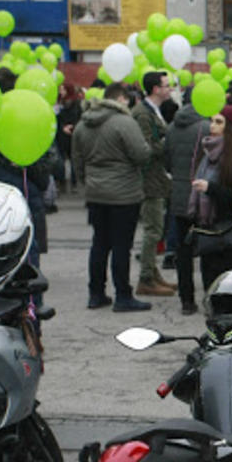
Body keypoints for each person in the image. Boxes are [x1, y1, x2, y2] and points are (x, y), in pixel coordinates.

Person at [71, 83, 152, 312]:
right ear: (122, 99)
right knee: (121, 246)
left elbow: (77, 160)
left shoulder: (82, 124)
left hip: (96, 193)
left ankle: (96, 294)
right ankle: (123, 296)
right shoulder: (124, 123)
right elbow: (142, 154)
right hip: (124, 194)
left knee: (99, 243)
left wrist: (87, 183)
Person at [188, 106, 232, 290]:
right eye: (212, 121)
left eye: (219, 122)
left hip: (231, 232)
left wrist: (210, 188)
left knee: (229, 286)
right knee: (210, 285)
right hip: (208, 230)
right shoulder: (206, 149)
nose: (212, 126)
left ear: (231, 127)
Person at [164, 97, 210, 315]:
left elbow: (167, 161)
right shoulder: (206, 127)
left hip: (180, 193)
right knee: (208, 248)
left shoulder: (172, 127)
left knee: (183, 251)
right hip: (202, 195)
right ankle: (210, 296)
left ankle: (186, 300)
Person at [132, 71, 176, 297]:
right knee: (153, 230)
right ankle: (146, 278)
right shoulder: (142, 114)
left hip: (157, 178)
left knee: (156, 228)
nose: (170, 89)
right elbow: (146, 147)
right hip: (149, 181)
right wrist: (168, 144)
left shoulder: (152, 110)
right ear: (155, 89)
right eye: (166, 85)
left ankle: (153, 272)